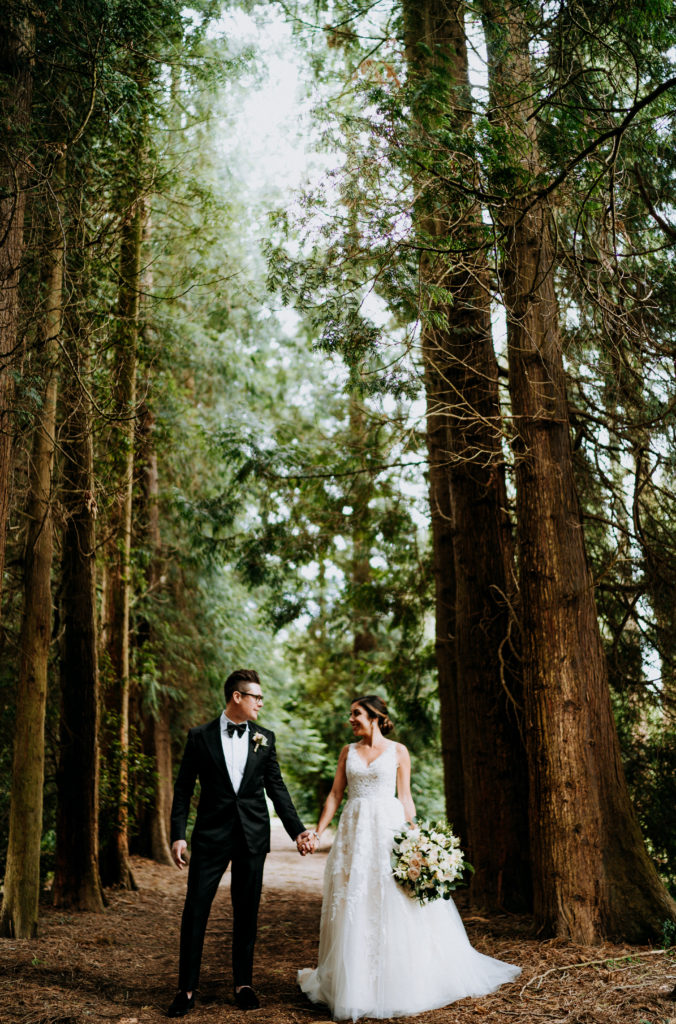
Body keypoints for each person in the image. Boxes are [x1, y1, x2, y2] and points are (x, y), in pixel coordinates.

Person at [297, 695, 521, 1021]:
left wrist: (417, 839)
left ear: (375, 716)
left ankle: (399, 979)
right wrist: (318, 831)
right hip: (354, 832)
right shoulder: (348, 751)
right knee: (354, 899)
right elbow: (335, 794)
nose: (351, 719)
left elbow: (405, 797)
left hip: (387, 830)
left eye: (356, 714)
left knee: (393, 897)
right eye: (351, 714)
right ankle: (355, 984)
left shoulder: (398, 751)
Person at [166, 668, 313, 1018]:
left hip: (252, 835)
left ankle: (243, 985)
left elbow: (277, 789)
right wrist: (178, 834)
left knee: (247, 912)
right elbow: (183, 789)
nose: (260, 703)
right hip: (210, 836)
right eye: (256, 697)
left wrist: (298, 831)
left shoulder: (265, 738)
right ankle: (186, 989)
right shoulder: (199, 737)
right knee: (195, 909)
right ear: (237, 697)